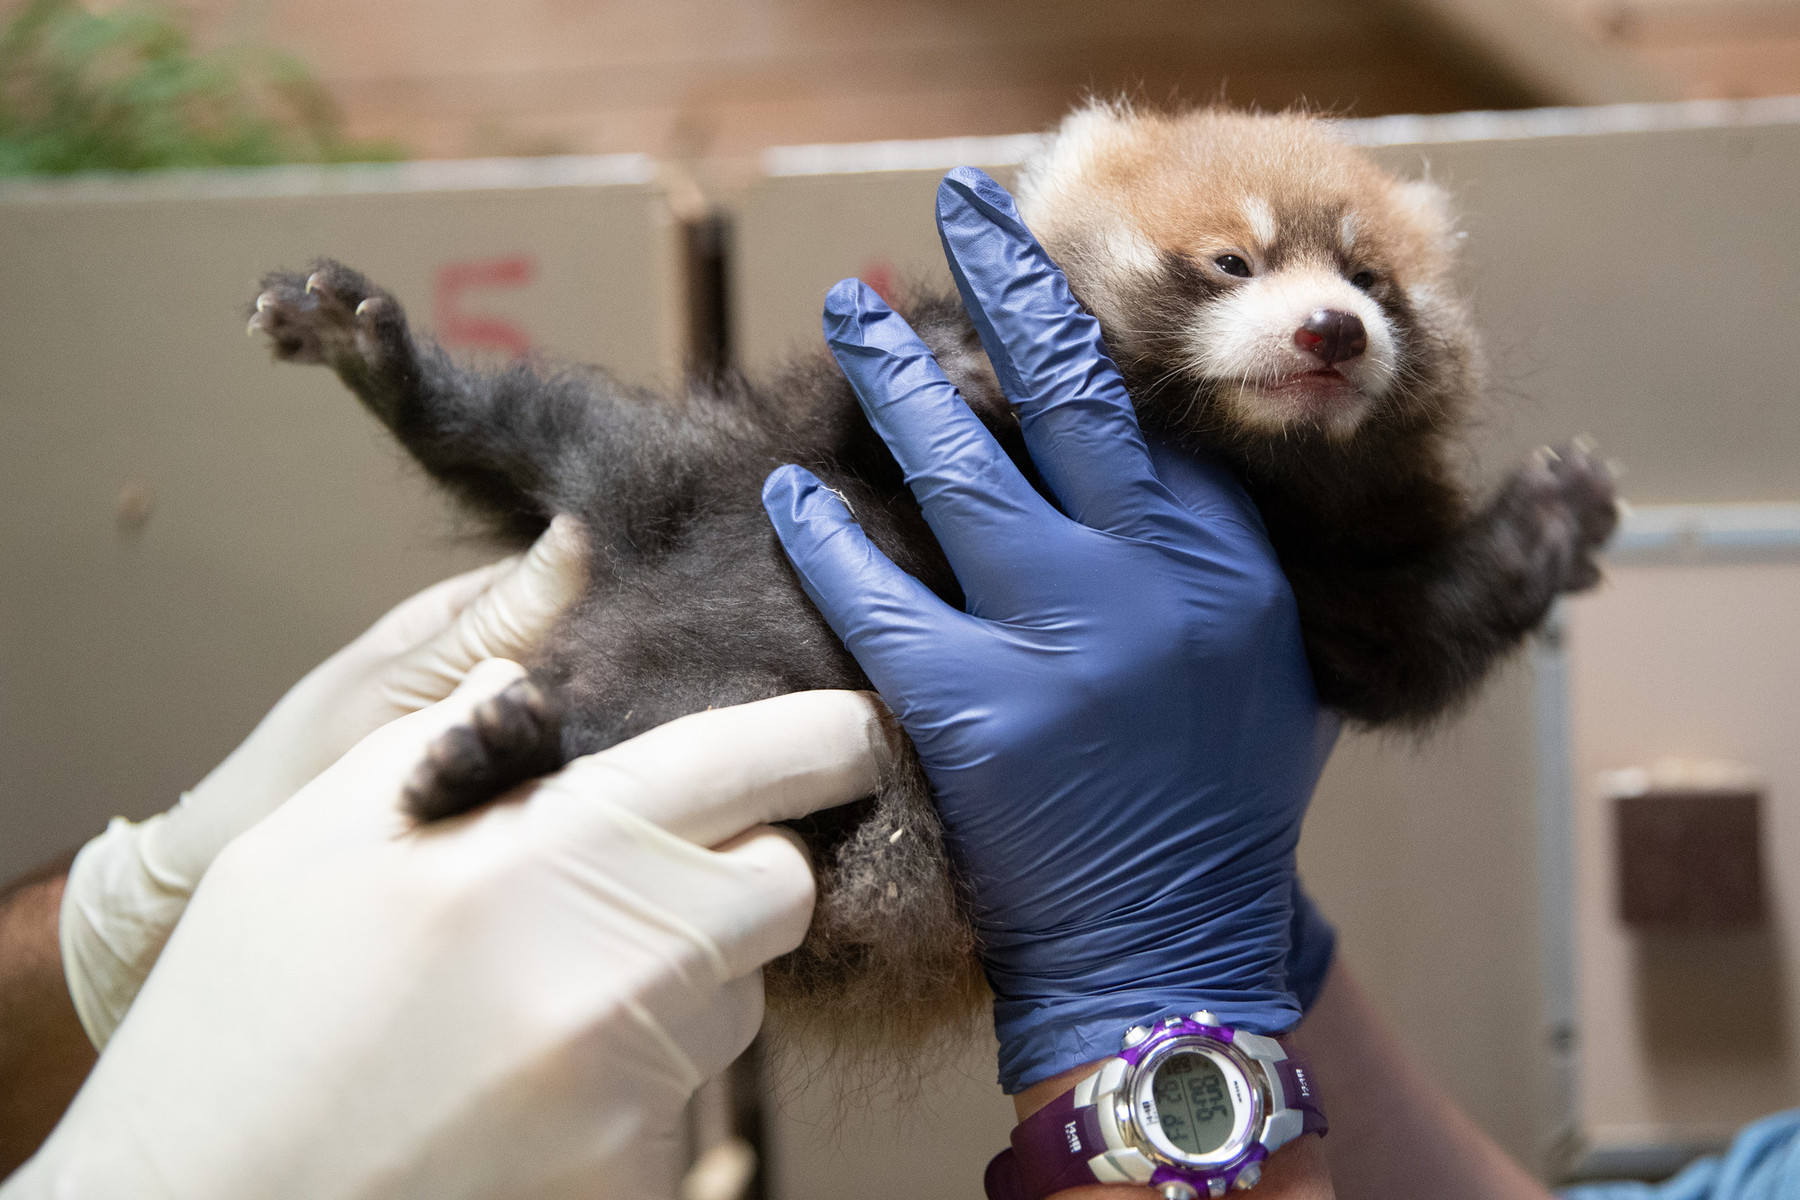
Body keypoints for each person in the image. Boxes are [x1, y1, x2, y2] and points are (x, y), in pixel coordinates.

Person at [2, 169, 1795, 1199]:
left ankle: (538, 730)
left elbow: (1404, 629)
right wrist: (135, 911)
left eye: (1365, 284)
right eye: (1241, 264)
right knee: (622, 456)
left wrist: (1162, 992)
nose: (1321, 315)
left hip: (864, 810)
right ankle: (500, 635)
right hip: (712, 602)